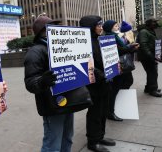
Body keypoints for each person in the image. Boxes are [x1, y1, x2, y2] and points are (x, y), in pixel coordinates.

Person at [24, 15, 74, 152]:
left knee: (67, 138)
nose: (56, 29)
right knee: (53, 144)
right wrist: (41, 81)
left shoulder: (61, 46)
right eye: (52, 27)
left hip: (68, 100)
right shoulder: (35, 52)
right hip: (51, 104)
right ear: (43, 31)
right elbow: (30, 82)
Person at [80, 15, 116, 152]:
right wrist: (100, 74)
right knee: (95, 113)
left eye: (101, 25)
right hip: (94, 85)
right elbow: (84, 63)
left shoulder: (100, 40)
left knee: (103, 111)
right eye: (98, 25)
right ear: (90, 27)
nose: (101, 27)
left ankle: (100, 136)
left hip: (105, 83)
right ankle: (93, 141)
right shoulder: (83, 42)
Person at [102, 20, 139, 121]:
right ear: (110, 28)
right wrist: (130, 47)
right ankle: (110, 111)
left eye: (117, 25)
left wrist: (131, 48)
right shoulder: (108, 37)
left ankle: (119, 103)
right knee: (115, 88)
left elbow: (122, 48)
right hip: (117, 66)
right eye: (115, 26)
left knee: (128, 81)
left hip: (122, 65)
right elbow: (117, 50)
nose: (117, 27)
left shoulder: (115, 36)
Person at [137, 18, 162, 97]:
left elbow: (154, 44)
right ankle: (153, 90)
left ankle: (149, 88)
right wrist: (151, 56)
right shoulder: (144, 32)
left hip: (150, 55)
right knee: (152, 72)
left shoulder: (150, 31)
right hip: (146, 56)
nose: (156, 24)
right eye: (154, 22)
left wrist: (159, 55)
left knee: (151, 72)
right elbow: (143, 45)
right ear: (149, 24)